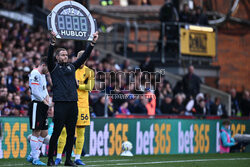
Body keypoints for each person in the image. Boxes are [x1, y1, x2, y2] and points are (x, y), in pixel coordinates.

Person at [47, 31, 98, 166]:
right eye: (62, 55)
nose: (65, 56)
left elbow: (84, 56)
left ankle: (68, 160)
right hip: (60, 104)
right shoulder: (53, 68)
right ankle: (50, 159)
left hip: (73, 104)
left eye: (66, 54)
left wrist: (92, 43)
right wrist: (52, 43)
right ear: (57, 57)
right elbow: (48, 58)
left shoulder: (71, 66)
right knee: (57, 133)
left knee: (71, 134)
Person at [55, 51, 95, 166]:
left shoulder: (89, 72)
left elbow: (90, 86)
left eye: (84, 58)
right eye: (80, 58)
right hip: (70, 103)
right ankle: (58, 157)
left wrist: (79, 85)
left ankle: (77, 157)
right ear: (76, 58)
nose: (82, 60)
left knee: (81, 131)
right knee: (63, 131)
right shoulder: (70, 68)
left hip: (83, 106)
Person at [27, 57, 50, 166]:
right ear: (43, 65)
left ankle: (32, 154)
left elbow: (44, 88)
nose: (49, 70)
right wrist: (44, 101)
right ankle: (35, 157)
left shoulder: (43, 75)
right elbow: (35, 91)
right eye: (48, 67)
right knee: (36, 131)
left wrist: (48, 97)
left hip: (43, 104)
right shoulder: (35, 73)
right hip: (37, 104)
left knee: (44, 132)